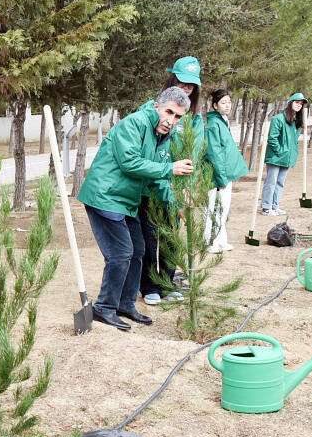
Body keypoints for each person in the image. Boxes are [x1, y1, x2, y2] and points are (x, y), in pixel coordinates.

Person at [77, 86, 193, 331]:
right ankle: (104, 307)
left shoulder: (161, 136)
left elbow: (155, 178)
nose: (171, 121)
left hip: (126, 200)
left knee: (138, 249)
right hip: (105, 195)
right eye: (168, 112)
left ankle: (125, 304)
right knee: (121, 252)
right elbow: (130, 163)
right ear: (156, 107)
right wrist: (169, 168)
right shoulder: (135, 123)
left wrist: (175, 206)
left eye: (177, 117)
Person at [138, 56, 203, 306]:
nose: (187, 87)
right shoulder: (153, 108)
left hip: (176, 189)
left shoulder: (193, 121)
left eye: (192, 85)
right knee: (148, 239)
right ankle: (148, 285)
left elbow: (193, 157)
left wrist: (188, 191)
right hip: (152, 187)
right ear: (171, 78)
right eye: (182, 81)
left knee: (171, 240)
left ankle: (166, 282)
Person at [202, 88, 249, 252]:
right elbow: (214, 152)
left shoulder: (223, 120)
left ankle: (221, 240)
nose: (227, 105)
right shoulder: (213, 123)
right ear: (215, 105)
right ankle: (210, 242)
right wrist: (221, 178)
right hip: (217, 176)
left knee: (224, 207)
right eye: (223, 102)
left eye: (229, 102)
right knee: (215, 207)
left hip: (227, 173)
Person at [261, 92, 308, 216]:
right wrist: (280, 151)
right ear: (290, 102)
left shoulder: (297, 122)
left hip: (287, 158)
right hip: (276, 157)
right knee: (271, 182)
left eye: (301, 104)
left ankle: (275, 205)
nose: (299, 105)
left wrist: (290, 153)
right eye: (297, 103)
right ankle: (266, 207)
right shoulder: (278, 119)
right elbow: (272, 138)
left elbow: (294, 140)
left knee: (280, 182)